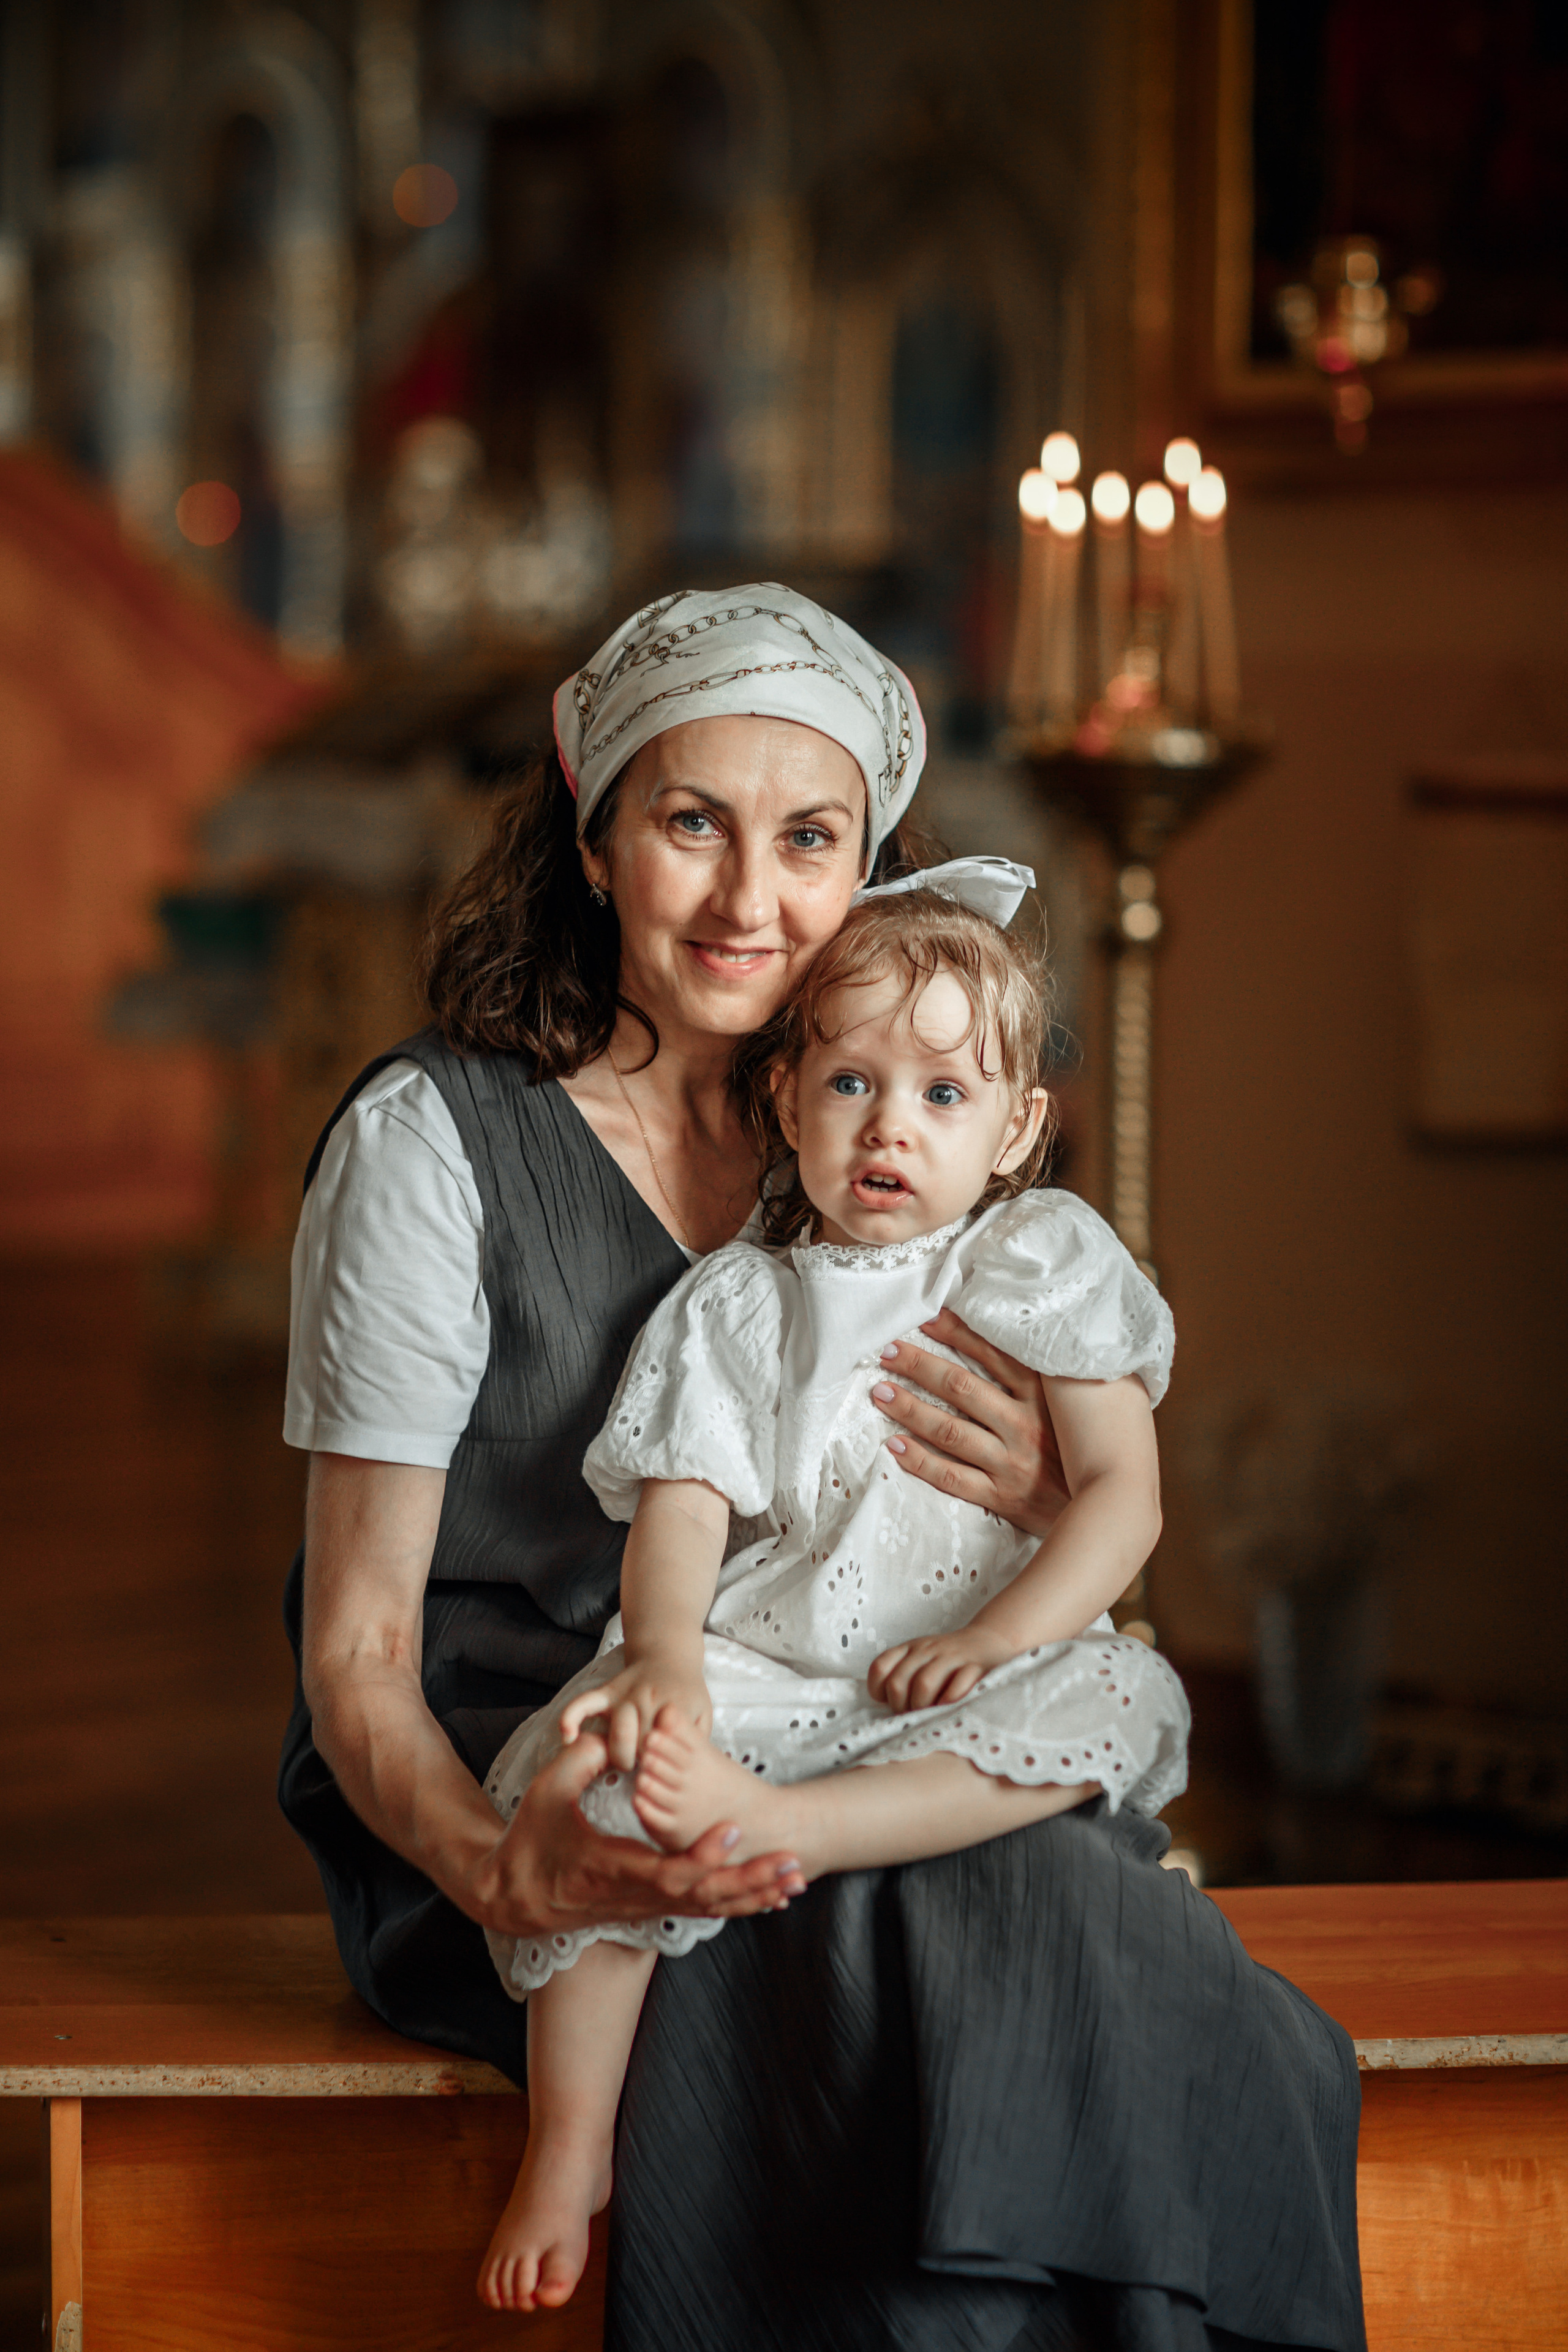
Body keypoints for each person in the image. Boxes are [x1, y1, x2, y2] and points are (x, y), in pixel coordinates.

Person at [281, 586, 1365, 2352]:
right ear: (595, 837)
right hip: (548, 1777)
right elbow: (354, 1660)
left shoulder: (901, 1139)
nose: (748, 899)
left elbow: (1059, 1521)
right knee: (918, 1950)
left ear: (866, 864)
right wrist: (503, 1871)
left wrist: (1034, 1509)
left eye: (807, 839)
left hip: (875, 1715)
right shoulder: (435, 1145)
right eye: (690, 823)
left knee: (1081, 1918)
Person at [477, 878, 1191, 2313]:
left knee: (1120, 1692)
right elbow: (682, 1510)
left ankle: (795, 1828)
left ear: (1015, 1132)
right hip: (782, 1660)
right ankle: (568, 2148)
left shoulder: (1036, 1257)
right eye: (852, 1082)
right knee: (601, 1780)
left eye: (941, 1093)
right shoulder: (740, 1301)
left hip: (979, 1659)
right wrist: (663, 1661)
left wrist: (996, 1636)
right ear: (786, 1097)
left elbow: (1124, 1494)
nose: (887, 1127)